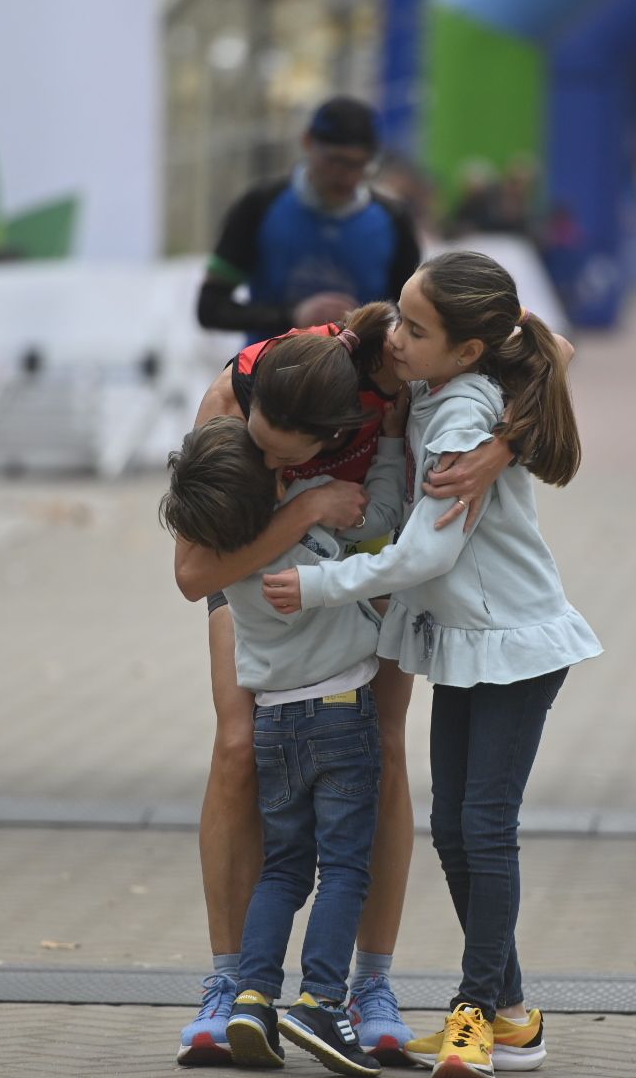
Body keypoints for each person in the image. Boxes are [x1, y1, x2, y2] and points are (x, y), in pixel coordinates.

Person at [262, 251, 602, 1077]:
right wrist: (506, 437)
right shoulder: (436, 388)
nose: (400, 341)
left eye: (417, 330)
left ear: (470, 351)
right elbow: (548, 341)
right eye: (403, 319)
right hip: (470, 643)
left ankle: (474, 1013)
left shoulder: (460, 415)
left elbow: (422, 555)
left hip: (514, 644)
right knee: (455, 829)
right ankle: (513, 1013)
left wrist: (319, 584)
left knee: (483, 832)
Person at [172, 304, 520, 1066]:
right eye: (258, 447)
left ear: (337, 435)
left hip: (368, 574)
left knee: (382, 751)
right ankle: (231, 985)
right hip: (258, 573)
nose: (265, 460)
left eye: (279, 456)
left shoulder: (400, 355)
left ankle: (370, 986)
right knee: (237, 749)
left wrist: (502, 447)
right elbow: (195, 573)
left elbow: (547, 352)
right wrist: (299, 510)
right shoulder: (229, 405)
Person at [160, 385, 406, 1075]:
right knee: (343, 867)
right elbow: (380, 518)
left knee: (287, 868)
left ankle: (258, 994)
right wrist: (373, 458)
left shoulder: (237, 543)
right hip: (338, 712)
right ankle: (319, 1000)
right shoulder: (289, 494)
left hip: (279, 717)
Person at [197, 96, 421, 344]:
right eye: (335, 161)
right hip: (267, 373)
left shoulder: (394, 220)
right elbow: (210, 308)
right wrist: (293, 315)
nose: (345, 176)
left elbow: (412, 318)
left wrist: (364, 324)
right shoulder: (260, 205)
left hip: (359, 378)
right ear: (307, 143)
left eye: (359, 164)